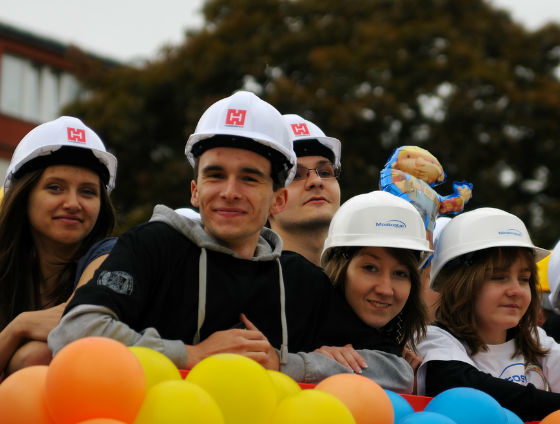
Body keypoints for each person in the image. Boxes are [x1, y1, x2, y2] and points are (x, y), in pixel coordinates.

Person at [48, 91, 396, 371]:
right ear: (195, 190)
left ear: (278, 199)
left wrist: (289, 363)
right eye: (215, 175)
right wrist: (191, 355)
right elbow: (74, 331)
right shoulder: (152, 245)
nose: (230, 191)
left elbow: (395, 368)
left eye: (249, 177)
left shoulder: (301, 280)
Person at [416, 207, 560, 421]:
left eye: (524, 279)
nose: (515, 290)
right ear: (461, 285)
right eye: (499, 277)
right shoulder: (433, 340)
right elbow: (473, 392)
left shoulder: (536, 339)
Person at [0, 116, 117, 380]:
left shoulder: (113, 256)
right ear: (23, 195)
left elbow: (76, 324)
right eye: (55, 188)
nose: (73, 203)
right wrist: (16, 329)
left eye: (88, 192)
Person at [279, 191, 431, 392]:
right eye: (370, 268)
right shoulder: (291, 285)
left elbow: (397, 374)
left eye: (400, 273)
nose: (385, 289)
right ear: (340, 266)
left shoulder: (399, 355)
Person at [268, 114, 341, 266]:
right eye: (295, 175)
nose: (316, 181)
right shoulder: (254, 284)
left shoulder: (360, 283)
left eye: (325, 172)